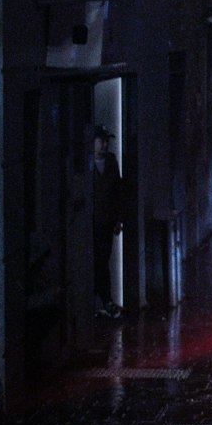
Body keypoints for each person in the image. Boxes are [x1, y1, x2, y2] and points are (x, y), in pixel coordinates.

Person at [92, 126, 123, 319]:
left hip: (106, 221)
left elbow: (118, 192)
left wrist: (118, 219)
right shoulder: (88, 163)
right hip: (92, 224)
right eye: (101, 141)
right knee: (98, 261)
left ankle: (105, 300)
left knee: (103, 260)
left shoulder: (111, 161)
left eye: (106, 141)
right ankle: (102, 300)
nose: (104, 145)